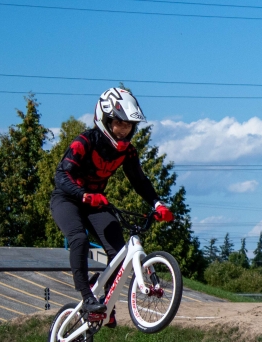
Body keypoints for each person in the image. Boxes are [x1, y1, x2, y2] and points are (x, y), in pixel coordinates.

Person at [51, 88, 174, 318]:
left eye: (128, 125)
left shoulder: (127, 152)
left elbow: (139, 180)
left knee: (119, 252)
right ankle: (87, 298)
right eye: (119, 123)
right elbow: (61, 176)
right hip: (67, 199)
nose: (123, 129)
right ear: (105, 120)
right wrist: (83, 194)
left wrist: (158, 204)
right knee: (79, 239)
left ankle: (106, 306)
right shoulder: (85, 142)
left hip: (96, 203)